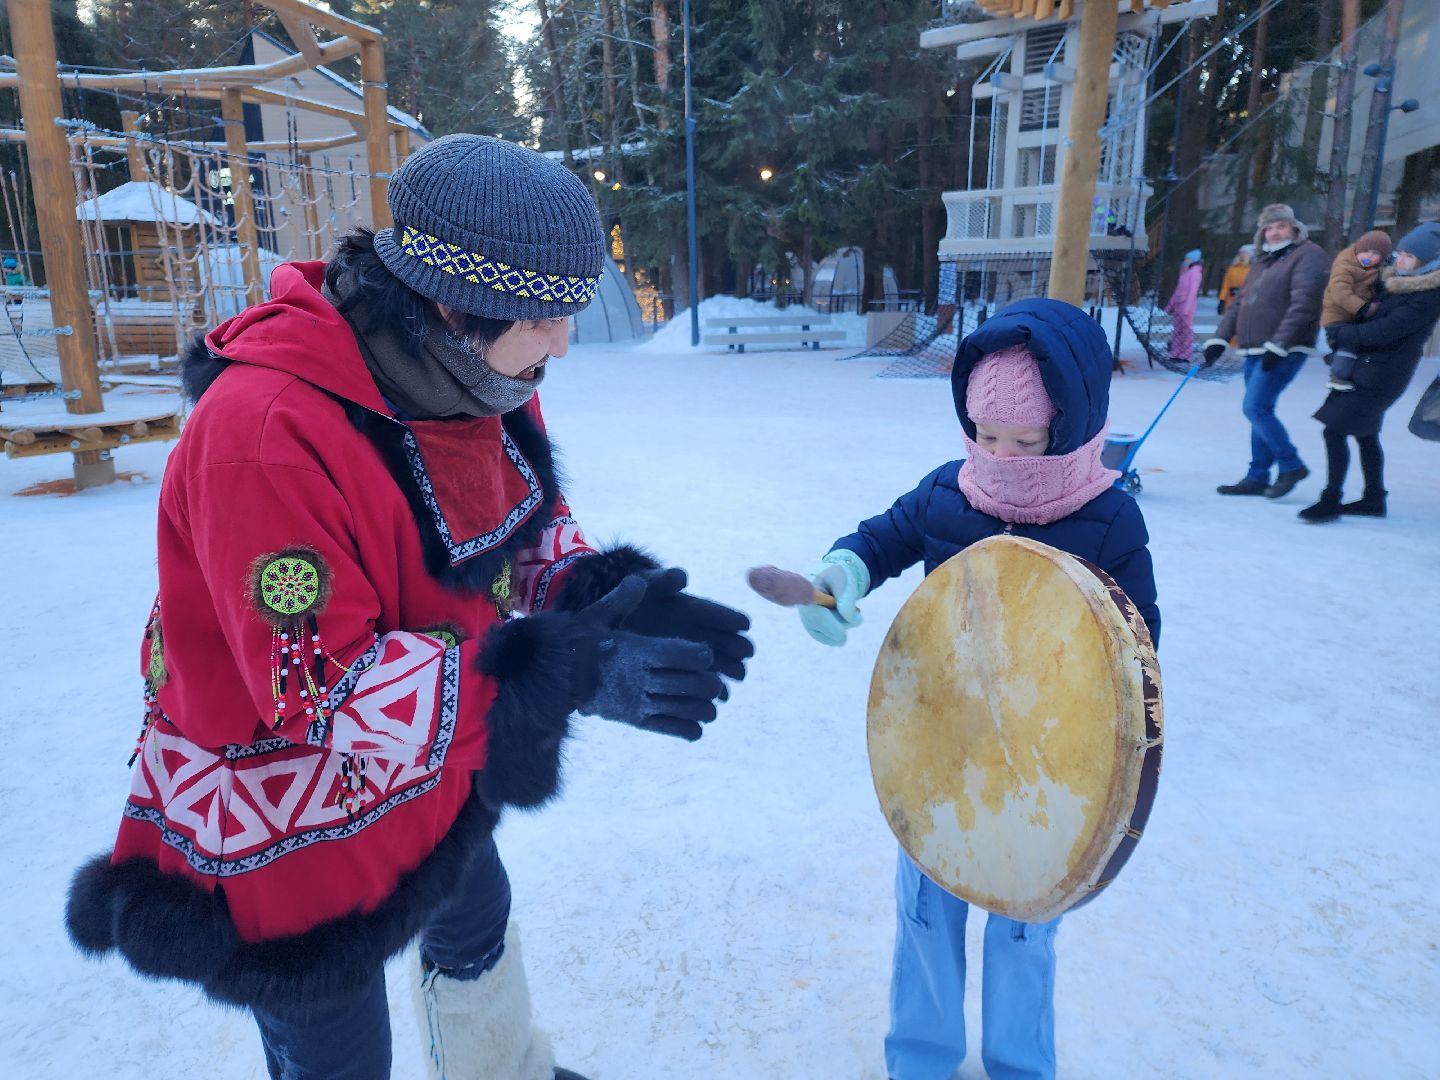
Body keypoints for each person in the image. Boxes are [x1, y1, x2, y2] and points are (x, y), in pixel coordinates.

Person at [64, 135, 754, 1080]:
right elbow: (318, 685)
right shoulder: (263, 434)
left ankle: (496, 1068)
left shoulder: (480, 371)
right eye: (544, 317)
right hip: (288, 803)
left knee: (476, 916)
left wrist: (601, 602)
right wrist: (565, 675)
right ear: (448, 301)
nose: (561, 342)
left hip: (434, 761)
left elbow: (507, 535)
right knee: (336, 1035)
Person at [794, 298, 1159, 1080]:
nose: (1000, 457)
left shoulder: (1107, 521)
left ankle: (1019, 1064)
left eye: (1025, 443)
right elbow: (882, 537)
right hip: (940, 751)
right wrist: (844, 572)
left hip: (1049, 772)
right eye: (985, 436)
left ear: (1071, 429)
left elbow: (1139, 646)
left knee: (1025, 929)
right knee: (925, 911)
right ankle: (920, 1058)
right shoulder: (948, 491)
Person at [1300, 221, 1440, 523]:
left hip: (1382, 377)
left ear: (1426, 263)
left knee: (1334, 430)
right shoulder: (1395, 284)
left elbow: (1384, 332)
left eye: (1409, 257)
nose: (1399, 260)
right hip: (1364, 369)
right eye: (1400, 253)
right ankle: (1374, 498)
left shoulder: (1427, 296)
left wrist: (1341, 334)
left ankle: (1330, 499)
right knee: (1365, 434)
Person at [1203, 203, 1329, 500]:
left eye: (1281, 226)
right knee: (1260, 410)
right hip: (1254, 348)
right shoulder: (1263, 261)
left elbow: (1304, 305)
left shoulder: (1308, 256)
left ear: (1294, 228)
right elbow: (1238, 304)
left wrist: (1280, 344)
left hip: (1284, 348)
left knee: (1255, 407)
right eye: (1269, 228)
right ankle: (1257, 476)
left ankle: (1291, 464)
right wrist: (1219, 339)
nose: (1274, 232)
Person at [1319, 229, 1392, 393]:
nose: (1369, 257)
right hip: (1336, 318)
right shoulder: (1345, 266)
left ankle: (1339, 364)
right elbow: (1340, 293)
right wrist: (1363, 307)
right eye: (1365, 251)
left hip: (1352, 318)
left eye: (1375, 254)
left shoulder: (1373, 270)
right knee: (1349, 344)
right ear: (1358, 249)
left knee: (1354, 344)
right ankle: (1338, 375)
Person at [1165, 248, 1203, 363]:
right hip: (1178, 307)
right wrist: (1170, 306)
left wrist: (1187, 308)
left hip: (1187, 307)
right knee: (1177, 331)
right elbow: (1177, 291)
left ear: (1193, 260)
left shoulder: (1195, 273)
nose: (1185, 260)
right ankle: (1175, 353)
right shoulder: (1185, 273)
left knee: (1187, 332)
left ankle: (1185, 355)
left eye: (1187, 258)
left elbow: (1192, 292)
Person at [1217, 244, 1254, 316]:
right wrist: (1222, 300)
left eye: (1244, 253)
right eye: (1240, 253)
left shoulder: (1252, 269)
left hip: (1244, 302)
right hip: (1230, 301)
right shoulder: (1231, 268)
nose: (1241, 255)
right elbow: (1225, 286)